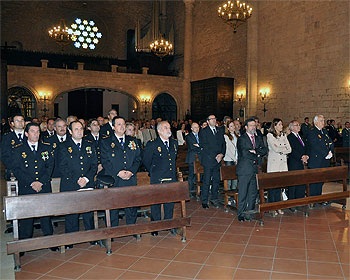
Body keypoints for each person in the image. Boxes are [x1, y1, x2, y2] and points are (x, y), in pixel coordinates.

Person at [10, 122, 58, 253]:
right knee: (26, 217)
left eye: (37, 132)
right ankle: (25, 244)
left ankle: (50, 240)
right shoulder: (19, 149)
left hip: (44, 186)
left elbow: (50, 166)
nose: (36, 134)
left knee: (45, 216)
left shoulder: (46, 148)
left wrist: (41, 182)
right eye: (32, 131)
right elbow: (16, 169)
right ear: (26, 134)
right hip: (27, 187)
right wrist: (31, 182)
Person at [58, 121, 98, 248]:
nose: (79, 131)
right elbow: (62, 166)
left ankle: (92, 237)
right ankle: (71, 239)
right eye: (76, 129)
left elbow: (94, 165)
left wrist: (86, 178)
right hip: (71, 183)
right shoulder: (63, 146)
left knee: (88, 213)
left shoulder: (89, 145)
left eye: (81, 129)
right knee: (72, 214)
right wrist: (77, 179)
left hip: (87, 182)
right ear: (70, 131)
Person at [100, 116, 142, 237]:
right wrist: (118, 172)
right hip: (115, 178)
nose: (122, 126)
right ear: (113, 127)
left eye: (123, 124)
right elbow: (105, 161)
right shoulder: (106, 141)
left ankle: (131, 228)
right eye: (118, 124)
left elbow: (138, 159)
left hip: (130, 177)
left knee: (131, 205)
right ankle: (113, 231)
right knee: (114, 206)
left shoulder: (132, 141)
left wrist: (131, 171)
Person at [143, 121, 178, 236]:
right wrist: (154, 172)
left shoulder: (174, 143)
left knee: (170, 202)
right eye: (165, 127)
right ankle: (155, 226)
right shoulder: (152, 144)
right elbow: (146, 161)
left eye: (169, 127)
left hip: (171, 177)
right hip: (157, 178)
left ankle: (168, 224)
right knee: (156, 203)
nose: (169, 129)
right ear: (159, 130)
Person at [236, 118, 267, 222]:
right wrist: (257, 155)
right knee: (243, 192)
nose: (253, 127)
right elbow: (245, 153)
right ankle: (241, 213)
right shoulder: (242, 139)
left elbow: (264, 150)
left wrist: (255, 152)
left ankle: (249, 212)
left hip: (255, 169)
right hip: (244, 169)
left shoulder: (258, 138)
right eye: (251, 125)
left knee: (253, 193)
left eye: (254, 125)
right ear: (246, 127)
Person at [199, 115, 226, 209]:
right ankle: (204, 201)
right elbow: (204, 146)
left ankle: (214, 199)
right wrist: (215, 156)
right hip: (209, 159)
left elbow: (223, 143)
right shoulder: (203, 131)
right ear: (208, 121)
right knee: (207, 181)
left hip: (218, 159)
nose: (214, 120)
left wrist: (222, 154)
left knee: (216, 180)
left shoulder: (219, 130)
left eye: (215, 118)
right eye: (212, 119)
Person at [266, 118, 292, 216]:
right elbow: (275, 148)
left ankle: (278, 207)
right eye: (280, 124)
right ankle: (272, 207)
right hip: (274, 164)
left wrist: (282, 149)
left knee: (280, 187)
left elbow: (289, 149)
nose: (282, 126)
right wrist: (283, 149)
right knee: (273, 187)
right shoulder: (270, 135)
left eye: (282, 124)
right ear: (275, 126)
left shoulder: (284, 135)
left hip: (282, 164)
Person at [306, 115, 334, 198]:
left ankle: (319, 198)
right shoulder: (312, 132)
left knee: (321, 181)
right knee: (314, 181)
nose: (323, 122)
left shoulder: (324, 131)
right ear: (316, 122)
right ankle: (312, 199)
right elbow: (315, 146)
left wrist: (331, 152)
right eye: (321, 121)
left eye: (323, 120)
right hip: (316, 160)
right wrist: (326, 153)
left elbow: (330, 142)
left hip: (324, 160)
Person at [287, 120, 308, 210]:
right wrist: (301, 156)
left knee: (301, 182)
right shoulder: (290, 137)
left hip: (302, 162)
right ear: (291, 127)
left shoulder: (300, 136)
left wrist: (306, 156)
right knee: (293, 183)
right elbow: (291, 150)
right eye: (296, 125)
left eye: (299, 125)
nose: (299, 126)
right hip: (294, 162)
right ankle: (292, 203)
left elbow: (305, 147)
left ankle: (300, 200)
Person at [1, 114, 26, 180]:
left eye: (22, 120)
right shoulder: (7, 137)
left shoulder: (30, 135)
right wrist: (13, 168)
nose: (20, 123)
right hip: (13, 170)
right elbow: (4, 155)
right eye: (17, 121)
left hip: (29, 170)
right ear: (12, 123)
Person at [185, 122, 201, 197]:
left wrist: (198, 145)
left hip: (200, 158)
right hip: (192, 158)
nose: (197, 129)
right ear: (191, 128)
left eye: (198, 127)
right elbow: (192, 147)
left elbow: (205, 145)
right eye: (195, 127)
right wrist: (200, 146)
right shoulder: (189, 136)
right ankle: (190, 191)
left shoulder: (201, 135)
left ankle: (198, 190)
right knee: (191, 175)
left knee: (199, 174)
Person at [223, 120, 239, 190]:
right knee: (229, 178)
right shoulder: (226, 136)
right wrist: (234, 158)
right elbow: (227, 150)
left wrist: (238, 158)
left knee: (235, 177)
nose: (233, 127)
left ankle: (234, 193)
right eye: (231, 126)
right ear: (228, 128)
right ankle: (228, 195)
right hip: (229, 159)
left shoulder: (237, 136)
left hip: (237, 158)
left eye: (233, 126)